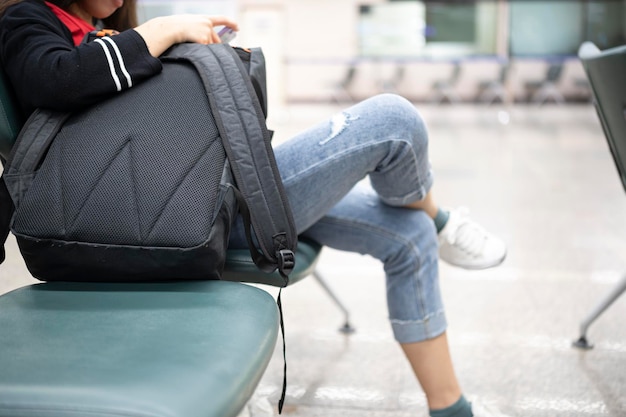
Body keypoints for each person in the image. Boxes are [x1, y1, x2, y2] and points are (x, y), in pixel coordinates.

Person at [0, 1, 510, 417]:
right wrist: (163, 30)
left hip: (193, 194)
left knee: (406, 235)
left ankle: (450, 409)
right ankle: (439, 216)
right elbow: (57, 79)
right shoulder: (29, 19)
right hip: (170, 211)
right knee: (392, 119)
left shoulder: (98, 28)